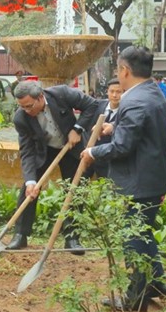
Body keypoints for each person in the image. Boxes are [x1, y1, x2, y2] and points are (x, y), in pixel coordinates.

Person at [82, 46, 166, 311]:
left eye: (117, 70)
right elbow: (140, 133)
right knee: (143, 232)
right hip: (153, 176)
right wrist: (117, 127)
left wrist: (92, 151)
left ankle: (136, 298)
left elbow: (122, 147)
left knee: (133, 238)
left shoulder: (134, 101)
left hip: (138, 181)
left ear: (124, 70)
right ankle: (158, 283)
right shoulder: (154, 93)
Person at [6, 80, 100, 253]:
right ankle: (20, 235)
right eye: (22, 107)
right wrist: (30, 181)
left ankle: (72, 237)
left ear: (40, 97)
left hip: (71, 146)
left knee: (75, 189)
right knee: (28, 190)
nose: (26, 110)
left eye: (29, 106)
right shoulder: (21, 117)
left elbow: (91, 105)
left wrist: (77, 129)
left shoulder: (62, 93)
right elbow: (26, 151)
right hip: (44, 150)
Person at [92, 78, 123, 179]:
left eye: (119, 92)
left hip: (112, 160)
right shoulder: (97, 105)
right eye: (112, 91)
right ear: (107, 92)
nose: (115, 95)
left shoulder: (127, 111)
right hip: (92, 155)